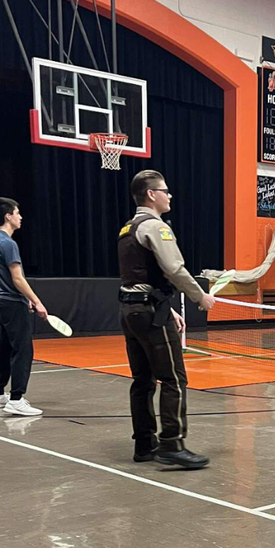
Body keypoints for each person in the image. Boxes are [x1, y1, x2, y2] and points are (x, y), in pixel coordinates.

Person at [118, 170, 216, 469]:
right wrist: (200, 296)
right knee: (174, 379)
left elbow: (140, 278)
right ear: (151, 194)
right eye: (165, 190)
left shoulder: (127, 229)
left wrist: (167, 307)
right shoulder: (156, 227)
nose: (169, 195)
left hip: (130, 311)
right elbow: (174, 269)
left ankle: (144, 443)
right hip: (150, 315)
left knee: (142, 380)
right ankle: (172, 444)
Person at [0, 198, 48, 416]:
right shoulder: (8, 244)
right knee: (23, 350)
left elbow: (10, 280)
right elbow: (18, 278)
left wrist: (26, 298)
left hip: (4, 302)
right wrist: (37, 301)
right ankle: (16, 399)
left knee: (5, 348)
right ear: (8, 216)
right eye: (17, 213)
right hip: (12, 304)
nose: (20, 217)